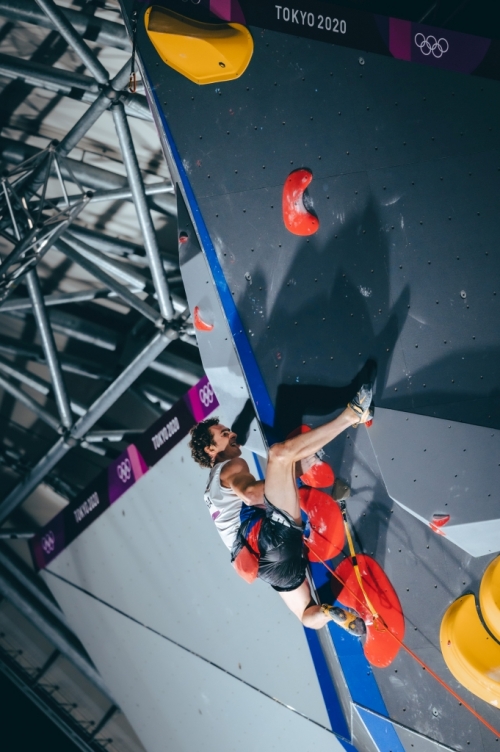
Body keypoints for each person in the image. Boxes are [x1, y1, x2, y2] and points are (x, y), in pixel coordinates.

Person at [188, 385, 373, 633]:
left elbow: (307, 618)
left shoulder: (209, 493)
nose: (232, 434)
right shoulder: (230, 466)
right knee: (278, 453)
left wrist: (292, 474)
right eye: (223, 434)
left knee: (306, 614)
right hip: (266, 538)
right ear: (211, 450)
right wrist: (295, 469)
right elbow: (252, 494)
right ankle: (353, 414)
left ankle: (329, 613)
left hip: (269, 569)